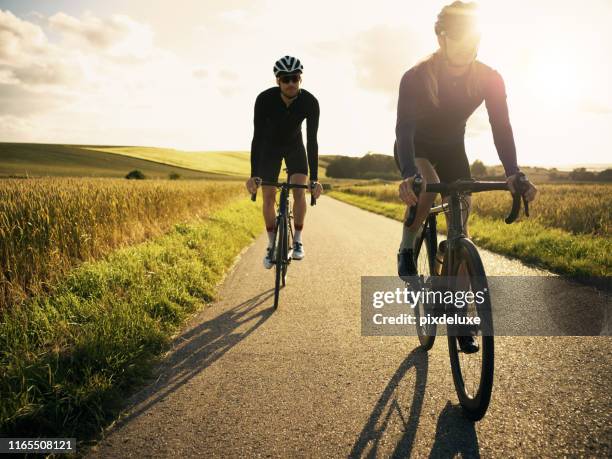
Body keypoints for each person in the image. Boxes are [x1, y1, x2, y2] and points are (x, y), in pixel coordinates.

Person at [393, 1, 538, 352]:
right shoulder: (417, 77)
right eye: (460, 37)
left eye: (474, 38)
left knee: (463, 215)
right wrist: (410, 173)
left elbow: (501, 126)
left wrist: (513, 172)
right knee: (426, 188)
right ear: (442, 37)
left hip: (453, 149)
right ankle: (407, 247)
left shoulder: (489, 77)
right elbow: (405, 129)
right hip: (416, 149)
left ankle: (458, 309)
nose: (469, 45)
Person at [246, 56, 323, 269]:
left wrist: (314, 179)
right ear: (278, 81)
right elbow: (257, 137)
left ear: (300, 79)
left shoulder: (310, 102)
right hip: (269, 148)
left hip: (294, 146)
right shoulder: (264, 99)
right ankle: (271, 245)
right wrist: (254, 174)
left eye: (295, 78)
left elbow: (312, 140)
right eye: (285, 79)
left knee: (299, 190)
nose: (291, 83)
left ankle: (297, 240)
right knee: (268, 196)